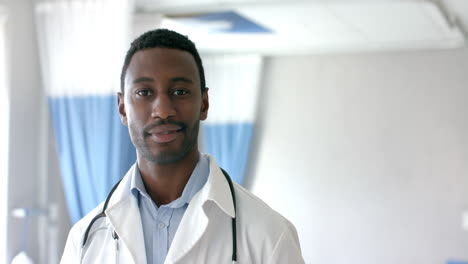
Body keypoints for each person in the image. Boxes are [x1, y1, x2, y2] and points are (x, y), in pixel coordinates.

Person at [61, 28, 304, 264]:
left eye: (180, 91)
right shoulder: (84, 240)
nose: (163, 110)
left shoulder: (269, 235)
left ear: (204, 104)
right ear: (123, 108)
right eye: (144, 92)